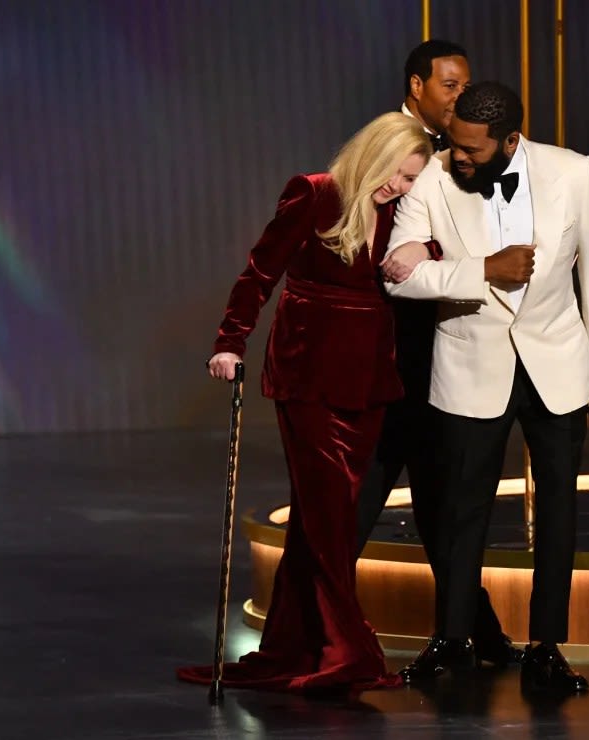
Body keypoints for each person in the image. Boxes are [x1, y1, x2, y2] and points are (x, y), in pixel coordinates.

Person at [176, 112, 432, 692]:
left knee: (329, 516)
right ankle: (347, 650)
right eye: (399, 172)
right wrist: (229, 341)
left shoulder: (408, 213)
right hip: (309, 368)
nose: (401, 185)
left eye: (414, 178)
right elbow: (260, 271)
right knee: (326, 513)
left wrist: (425, 247)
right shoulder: (317, 193)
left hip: (369, 375)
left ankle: (299, 645)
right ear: (376, 153)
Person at [379, 81, 589, 694]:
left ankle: (546, 647)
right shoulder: (432, 179)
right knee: (462, 512)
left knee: (559, 510)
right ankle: (452, 639)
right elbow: (398, 277)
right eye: (453, 144)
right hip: (469, 364)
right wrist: (482, 269)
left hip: (558, 368)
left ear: (511, 139)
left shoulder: (571, 172)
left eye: (471, 150)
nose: (457, 157)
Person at [355, 40, 523, 669]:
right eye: (450, 86)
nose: (461, 96)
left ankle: (474, 632)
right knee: (368, 497)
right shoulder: (392, 149)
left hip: (442, 355)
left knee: (441, 503)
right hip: (389, 356)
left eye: (466, 85)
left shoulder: (467, 160)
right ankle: (313, 630)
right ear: (418, 84)